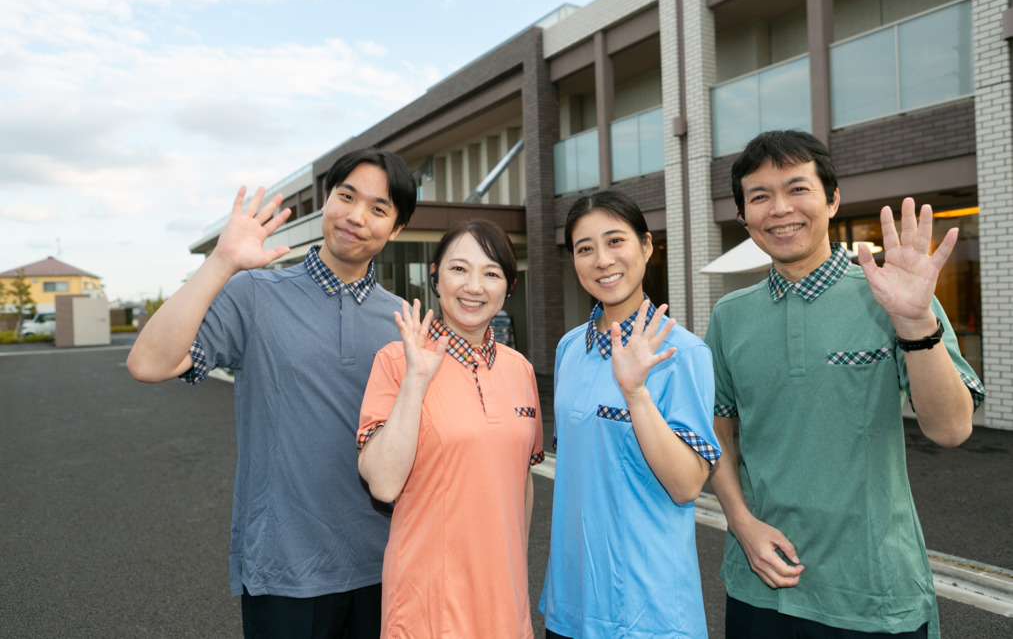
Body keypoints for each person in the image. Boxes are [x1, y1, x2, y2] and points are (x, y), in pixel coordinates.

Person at [126, 148, 418, 639]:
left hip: (386, 567)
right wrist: (222, 262)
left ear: (396, 229)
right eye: (347, 197)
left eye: (378, 208)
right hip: (283, 570)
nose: (356, 216)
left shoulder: (404, 322)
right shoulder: (255, 295)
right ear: (327, 201)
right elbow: (148, 363)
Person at [705, 130, 986, 639]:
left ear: (832, 199)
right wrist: (741, 524)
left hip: (875, 592)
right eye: (760, 196)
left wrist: (915, 323)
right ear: (743, 216)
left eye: (798, 189)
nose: (780, 209)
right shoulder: (729, 315)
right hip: (759, 582)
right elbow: (718, 435)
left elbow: (950, 429)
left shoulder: (894, 296)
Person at [539, 190, 721, 639]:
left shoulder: (682, 353)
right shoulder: (569, 348)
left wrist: (636, 393)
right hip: (571, 603)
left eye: (615, 241)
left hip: (648, 613)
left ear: (646, 245)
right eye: (585, 248)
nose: (602, 260)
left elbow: (687, 485)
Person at [356, 219, 544, 638]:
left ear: (509, 287)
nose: (474, 286)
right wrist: (416, 381)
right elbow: (383, 485)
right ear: (435, 277)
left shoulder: (520, 370)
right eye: (459, 269)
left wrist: (514, 573)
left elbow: (522, 480)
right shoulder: (395, 361)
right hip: (428, 605)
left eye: (491, 273)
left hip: (504, 603)